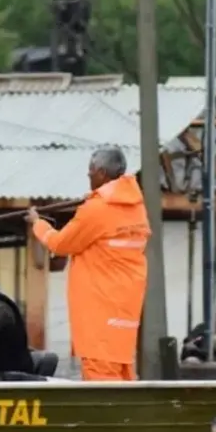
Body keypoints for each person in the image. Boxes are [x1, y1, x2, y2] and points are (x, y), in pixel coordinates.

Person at [26, 146, 150, 382]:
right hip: (124, 311)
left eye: (90, 171)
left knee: (102, 385)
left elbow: (61, 244)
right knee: (123, 375)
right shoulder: (136, 208)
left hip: (99, 312)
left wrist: (37, 224)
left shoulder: (97, 209)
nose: (88, 176)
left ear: (101, 173)